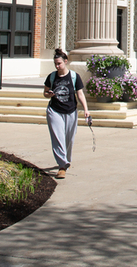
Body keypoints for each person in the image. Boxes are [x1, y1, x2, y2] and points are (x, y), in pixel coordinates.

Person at [43, 48, 90, 179]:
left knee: (69, 139)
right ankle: (62, 165)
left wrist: (86, 109)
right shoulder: (52, 77)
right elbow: (45, 93)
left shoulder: (74, 77)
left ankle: (66, 159)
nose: (57, 66)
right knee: (58, 137)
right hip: (54, 111)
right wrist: (49, 94)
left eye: (59, 63)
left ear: (65, 62)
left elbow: (80, 94)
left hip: (71, 111)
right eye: (55, 64)